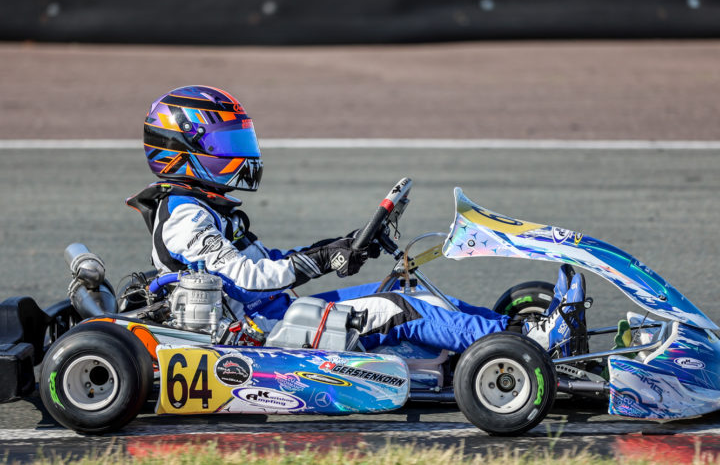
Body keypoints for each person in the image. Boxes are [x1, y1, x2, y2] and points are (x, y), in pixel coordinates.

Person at [127, 85, 584, 354]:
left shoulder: (204, 208)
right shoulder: (184, 217)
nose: (239, 154)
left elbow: (263, 265)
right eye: (225, 145)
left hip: (271, 317)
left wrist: (342, 246)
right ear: (183, 153)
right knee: (400, 310)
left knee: (405, 290)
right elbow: (251, 275)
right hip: (257, 340)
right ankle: (530, 346)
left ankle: (520, 331)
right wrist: (326, 257)